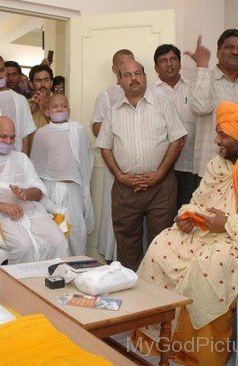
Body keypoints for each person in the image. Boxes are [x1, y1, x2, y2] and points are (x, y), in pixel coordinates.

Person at [132, 101, 238, 366]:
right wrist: (187, 216)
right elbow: (199, 200)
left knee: (210, 264)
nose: (216, 139)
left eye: (223, 134)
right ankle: (157, 340)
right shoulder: (219, 163)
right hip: (209, 232)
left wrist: (229, 224)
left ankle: (196, 354)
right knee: (162, 244)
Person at [95, 59, 187, 271]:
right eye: (127, 75)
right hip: (125, 188)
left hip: (161, 187)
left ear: (146, 76)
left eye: (138, 73)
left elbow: (178, 140)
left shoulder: (164, 104)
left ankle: (159, 296)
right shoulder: (113, 111)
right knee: (127, 246)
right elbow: (105, 147)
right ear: (119, 80)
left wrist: (159, 173)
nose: (134, 78)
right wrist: (119, 176)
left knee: (163, 244)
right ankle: (132, 294)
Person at [0, 116, 69, 264]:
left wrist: (26, 193)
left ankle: (52, 279)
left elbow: (38, 190)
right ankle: (22, 283)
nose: (8, 142)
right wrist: (2, 206)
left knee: (58, 240)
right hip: (2, 216)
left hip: (32, 212)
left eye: (12, 138)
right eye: (3, 137)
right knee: (24, 247)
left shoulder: (21, 158)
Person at [185, 30, 238, 179]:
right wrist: (202, 65)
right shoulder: (202, 78)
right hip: (211, 169)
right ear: (218, 51)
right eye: (229, 47)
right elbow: (201, 108)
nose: (235, 51)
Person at [30, 94, 94, 255]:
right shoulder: (42, 133)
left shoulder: (77, 130)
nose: (60, 109)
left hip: (73, 188)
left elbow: (86, 158)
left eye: (64, 106)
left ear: (69, 110)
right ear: (47, 111)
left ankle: (77, 264)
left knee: (76, 229)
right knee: (53, 230)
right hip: (49, 189)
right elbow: (36, 167)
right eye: (55, 106)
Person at [91, 49, 134, 262]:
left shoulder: (147, 93)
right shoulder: (106, 96)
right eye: (122, 64)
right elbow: (96, 126)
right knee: (113, 209)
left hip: (142, 168)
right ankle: (112, 257)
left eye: (131, 63)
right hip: (115, 163)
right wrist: (120, 131)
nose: (127, 68)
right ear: (115, 69)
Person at [152, 44, 198, 209]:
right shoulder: (150, 93)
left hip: (190, 165)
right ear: (156, 67)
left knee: (188, 214)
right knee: (164, 216)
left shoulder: (193, 87)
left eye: (173, 59)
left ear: (179, 62)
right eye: (163, 61)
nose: (169, 64)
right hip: (162, 168)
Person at [28, 64, 54, 129]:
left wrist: (44, 110)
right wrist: (28, 112)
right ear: (31, 84)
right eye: (38, 80)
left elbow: (62, 130)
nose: (43, 84)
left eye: (46, 80)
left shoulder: (60, 103)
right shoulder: (25, 104)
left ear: (51, 83)